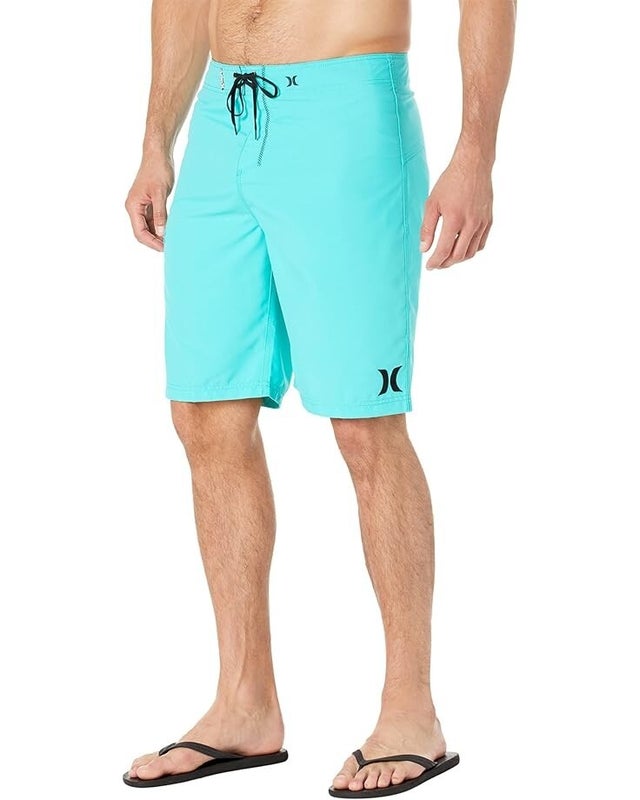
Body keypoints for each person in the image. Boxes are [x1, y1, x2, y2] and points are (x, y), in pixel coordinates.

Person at [123, 0, 516, 795]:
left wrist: (476, 151)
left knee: (365, 425)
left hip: (346, 114)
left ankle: (411, 712)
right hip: (222, 121)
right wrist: (156, 140)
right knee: (205, 414)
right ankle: (244, 706)